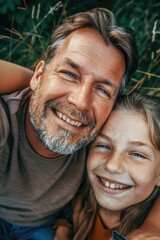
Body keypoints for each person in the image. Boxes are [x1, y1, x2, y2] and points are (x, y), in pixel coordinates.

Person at [0, 8, 139, 240]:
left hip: (44, 228)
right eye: (69, 74)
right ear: (38, 75)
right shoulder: (6, 120)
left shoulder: (102, 135)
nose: (81, 102)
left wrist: (153, 229)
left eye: (102, 90)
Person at [54, 91, 160, 240]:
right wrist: (63, 228)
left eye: (137, 154)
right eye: (103, 145)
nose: (112, 165)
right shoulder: (78, 189)